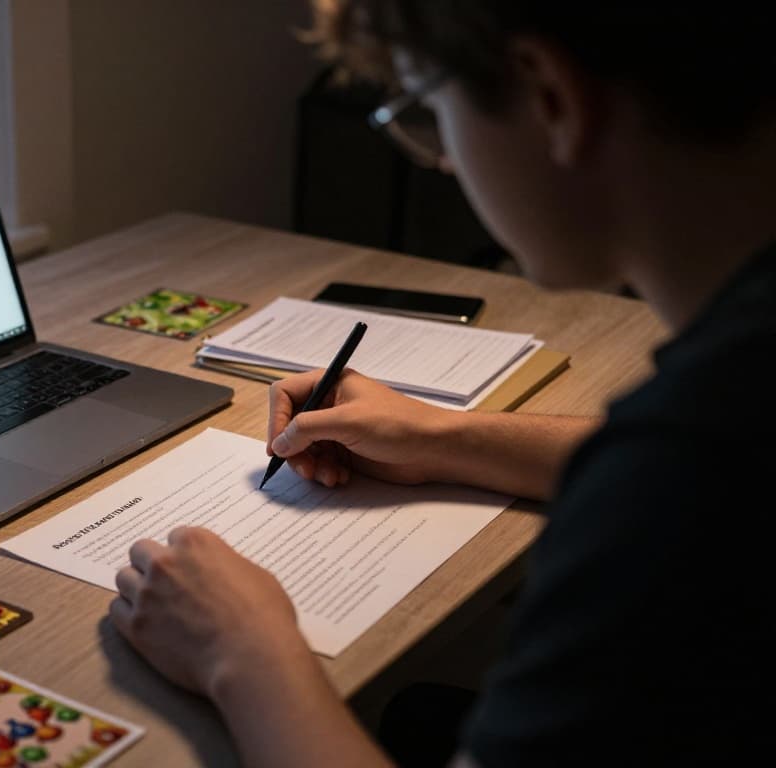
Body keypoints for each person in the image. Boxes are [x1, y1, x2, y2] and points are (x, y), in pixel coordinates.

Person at [107, 1, 774, 765]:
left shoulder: (684, 483)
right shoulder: (725, 405)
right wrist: (440, 436)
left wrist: (244, 656)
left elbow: (679, 474)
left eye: (432, 109)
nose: (445, 161)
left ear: (550, 97)